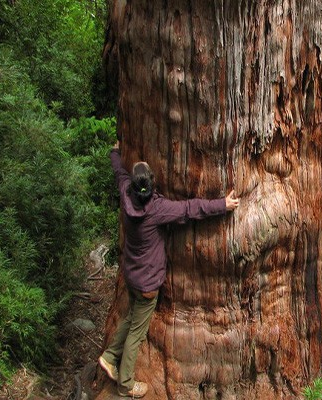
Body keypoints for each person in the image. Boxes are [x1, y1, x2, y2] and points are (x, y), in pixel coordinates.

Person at [98, 141, 239, 398]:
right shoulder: (156, 209)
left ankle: (108, 357)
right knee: (137, 333)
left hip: (131, 273)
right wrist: (223, 204)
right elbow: (189, 209)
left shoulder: (125, 193)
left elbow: (119, 172)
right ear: (151, 186)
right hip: (148, 283)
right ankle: (126, 384)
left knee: (132, 317)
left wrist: (115, 152)